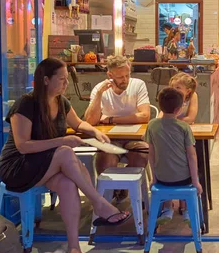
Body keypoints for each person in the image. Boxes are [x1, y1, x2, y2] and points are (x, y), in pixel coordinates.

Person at [0, 58, 130, 253]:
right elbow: (22, 146)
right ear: (46, 80)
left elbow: (78, 123)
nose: (65, 84)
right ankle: (99, 203)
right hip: (18, 167)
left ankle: (75, 249)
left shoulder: (61, 102)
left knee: (68, 185)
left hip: (46, 165)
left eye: (67, 79)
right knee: (65, 152)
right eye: (61, 79)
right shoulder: (26, 104)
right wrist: (62, 141)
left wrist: (94, 131)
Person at [84, 55, 151, 193]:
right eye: (120, 77)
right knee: (105, 160)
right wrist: (99, 95)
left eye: (127, 75)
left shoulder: (137, 85)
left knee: (142, 154)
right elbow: (90, 121)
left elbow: (145, 116)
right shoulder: (100, 89)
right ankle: (111, 195)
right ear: (110, 74)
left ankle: (126, 189)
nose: (125, 80)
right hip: (110, 139)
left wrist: (111, 119)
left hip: (134, 138)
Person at [145, 87, 202, 225]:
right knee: (191, 176)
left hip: (161, 179)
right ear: (178, 109)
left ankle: (167, 209)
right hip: (183, 179)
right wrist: (195, 182)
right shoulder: (183, 127)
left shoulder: (152, 125)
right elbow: (191, 156)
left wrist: (154, 178)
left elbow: (151, 154)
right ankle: (188, 212)